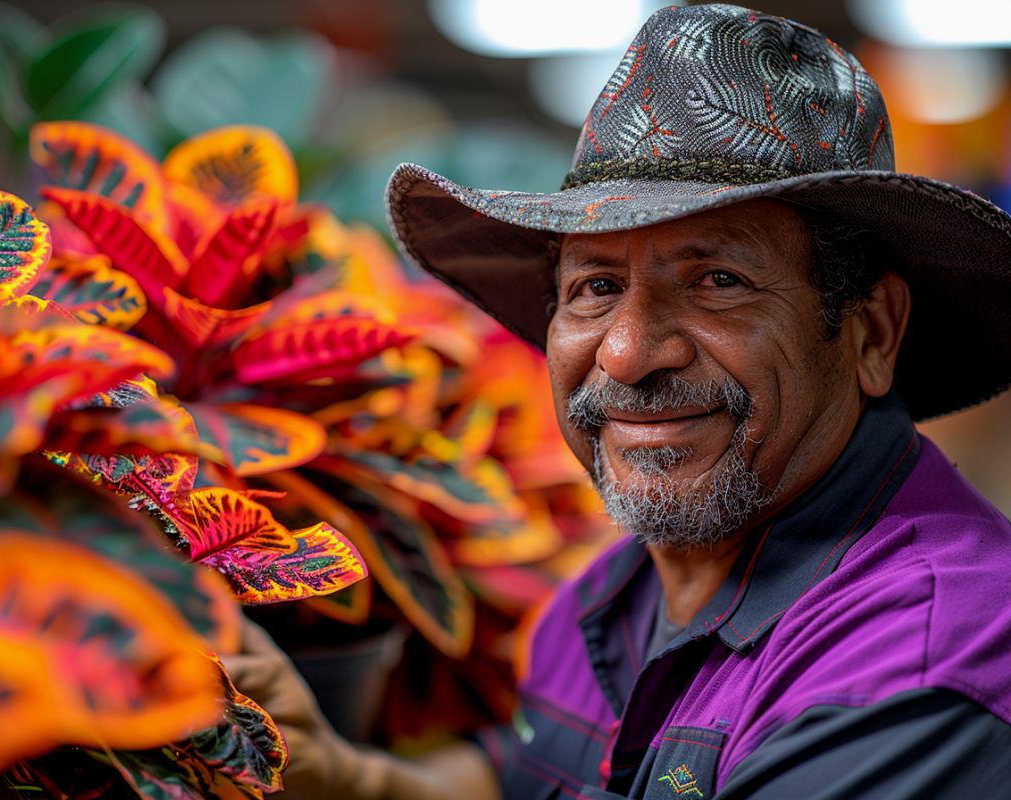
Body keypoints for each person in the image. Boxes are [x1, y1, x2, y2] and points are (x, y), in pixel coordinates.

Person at [223, 4, 1011, 797]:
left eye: (718, 282)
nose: (629, 355)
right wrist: (347, 779)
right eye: (596, 287)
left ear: (870, 333)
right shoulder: (607, 599)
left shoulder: (919, 664)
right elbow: (527, 775)